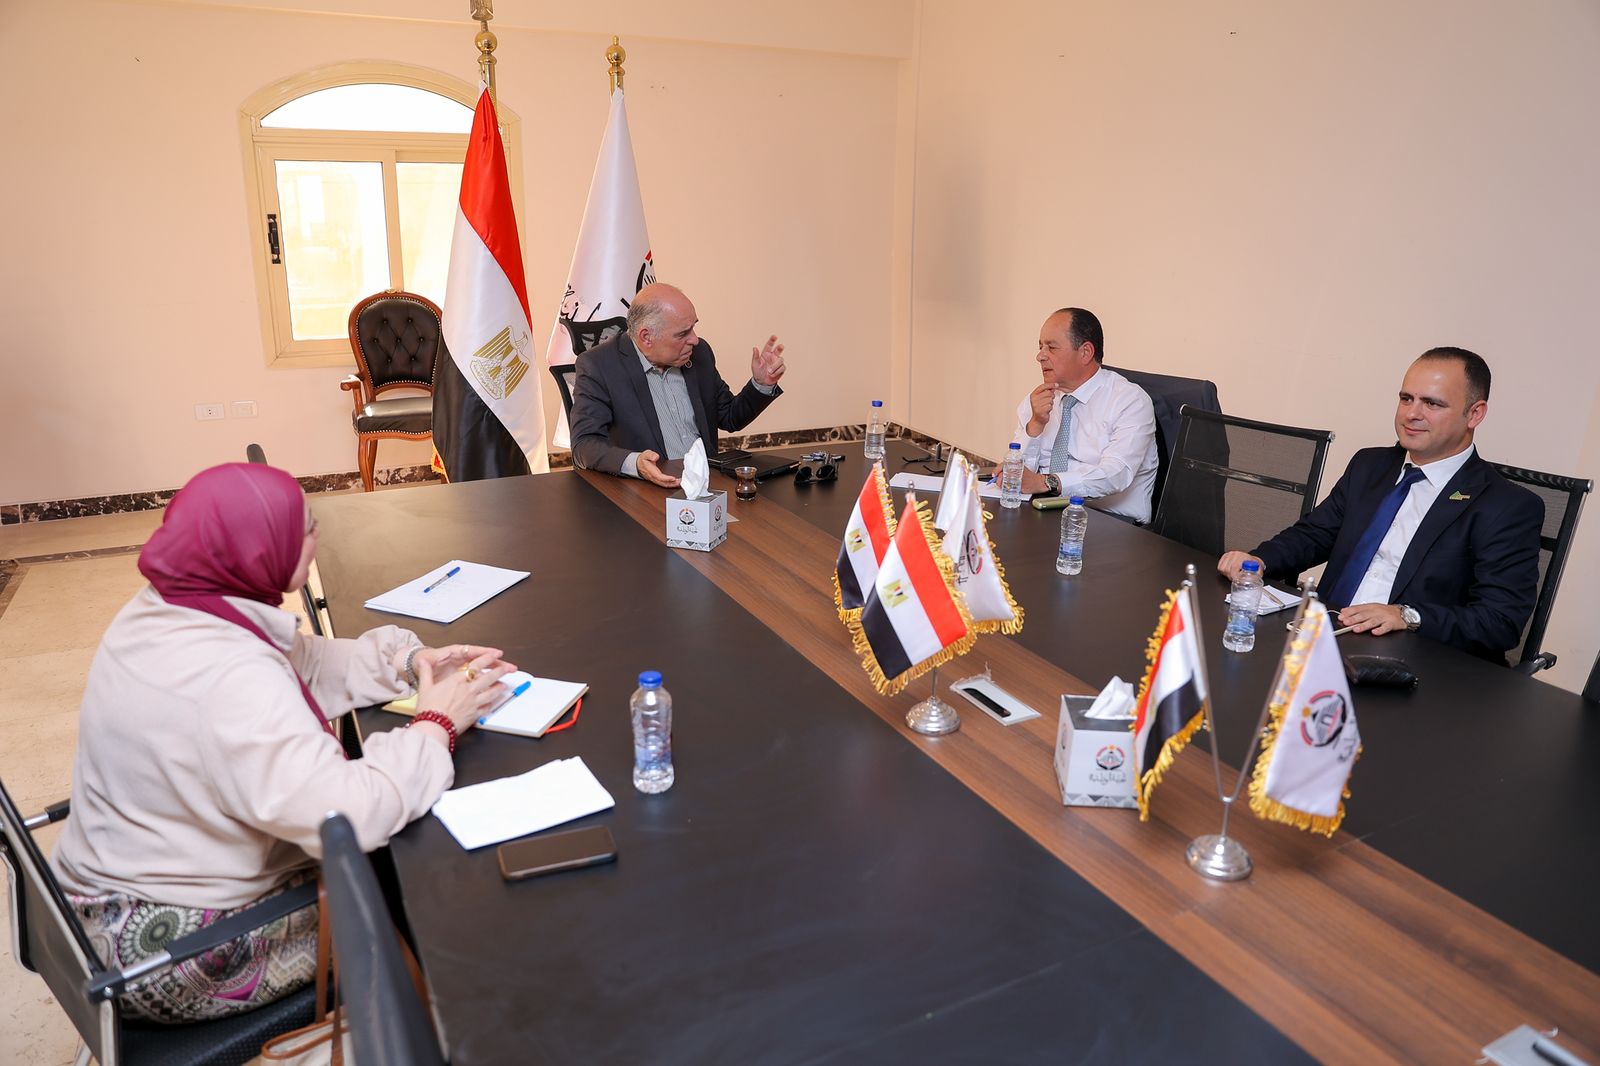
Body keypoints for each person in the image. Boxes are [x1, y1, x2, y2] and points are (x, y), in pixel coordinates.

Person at [50, 463, 517, 1023]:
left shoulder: (172, 605)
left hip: (102, 896)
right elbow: (348, 816)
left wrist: (409, 663)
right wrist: (437, 723)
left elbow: (299, 662)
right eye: (306, 527)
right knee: (429, 899)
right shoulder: (230, 678)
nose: (317, 534)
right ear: (260, 549)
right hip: (168, 952)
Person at [1218, 347, 1542, 662]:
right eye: (1406, 398)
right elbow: (1315, 534)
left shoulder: (1507, 506)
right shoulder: (1370, 466)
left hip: (1411, 661)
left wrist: (1408, 616)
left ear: (1474, 414)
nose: (1412, 413)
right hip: (1322, 639)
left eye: (1432, 403)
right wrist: (1259, 560)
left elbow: (1500, 622)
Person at [570, 282, 787, 488]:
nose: (694, 339)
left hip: (706, 483)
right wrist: (636, 464)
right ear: (646, 337)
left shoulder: (699, 353)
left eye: (693, 327)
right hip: (647, 489)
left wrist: (761, 384)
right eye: (683, 334)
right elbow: (584, 444)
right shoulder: (599, 365)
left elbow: (730, 417)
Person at [995, 307, 1158, 523]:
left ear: (1085, 353)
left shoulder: (1130, 401)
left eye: (1051, 347)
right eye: (1040, 347)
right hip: (1045, 511)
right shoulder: (1039, 399)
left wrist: (1046, 482)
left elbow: (1116, 474)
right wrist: (1035, 425)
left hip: (1112, 522)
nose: (1040, 356)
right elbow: (1024, 478)